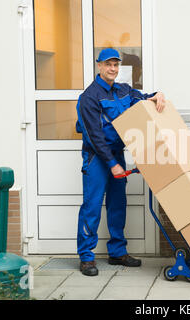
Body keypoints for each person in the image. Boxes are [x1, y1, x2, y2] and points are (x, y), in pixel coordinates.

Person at [75, 48, 165, 276]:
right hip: (97, 157)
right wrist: (112, 163)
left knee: (118, 205)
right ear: (99, 66)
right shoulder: (89, 97)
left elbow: (143, 100)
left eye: (116, 65)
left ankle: (117, 252)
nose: (112, 69)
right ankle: (86, 257)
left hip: (117, 155)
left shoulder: (124, 91)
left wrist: (158, 95)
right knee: (92, 207)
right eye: (108, 65)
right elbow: (94, 135)